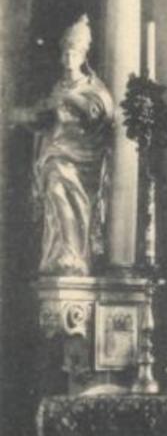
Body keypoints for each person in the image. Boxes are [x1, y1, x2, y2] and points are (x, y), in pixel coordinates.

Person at [11, 16, 114, 274]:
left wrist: (71, 100)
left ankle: (76, 254)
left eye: (74, 53)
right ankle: (62, 253)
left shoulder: (92, 87)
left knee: (76, 203)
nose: (69, 58)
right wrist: (24, 116)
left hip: (83, 158)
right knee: (55, 192)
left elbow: (101, 114)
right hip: (55, 154)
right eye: (66, 53)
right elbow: (43, 118)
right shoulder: (58, 88)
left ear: (83, 57)